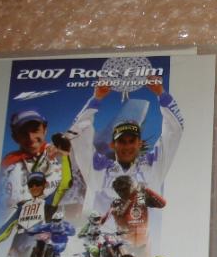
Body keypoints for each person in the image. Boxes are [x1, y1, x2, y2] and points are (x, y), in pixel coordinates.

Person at [67, 78, 183, 217]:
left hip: (146, 231)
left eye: (132, 141)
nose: (127, 146)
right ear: (112, 145)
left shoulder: (153, 166)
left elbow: (175, 130)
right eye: (121, 141)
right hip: (100, 230)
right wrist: (96, 98)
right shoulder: (97, 168)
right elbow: (78, 134)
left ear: (140, 143)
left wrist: (161, 94)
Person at [0, 152, 72, 257]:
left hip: (36, 254)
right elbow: (4, 231)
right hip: (15, 251)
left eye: (38, 183)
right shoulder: (22, 208)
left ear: (45, 185)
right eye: (31, 184)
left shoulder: (49, 202)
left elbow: (65, 184)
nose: (35, 187)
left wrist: (65, 156)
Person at [0, 109, 68, 215]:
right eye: (23, 133)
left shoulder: (61, 155)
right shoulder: (8, 165)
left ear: (45, 130)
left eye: (35, 130)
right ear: (15, 137)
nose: (30, 138)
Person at [102, 175, 166, 257]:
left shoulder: (139, 198)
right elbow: (104, 218)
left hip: (142, 245)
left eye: (124, 189)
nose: (121, 193)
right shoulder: (117, 204)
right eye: (118, 190)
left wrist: (146, 189)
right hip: (125, 246)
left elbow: (162, 204)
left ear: (131, 187)